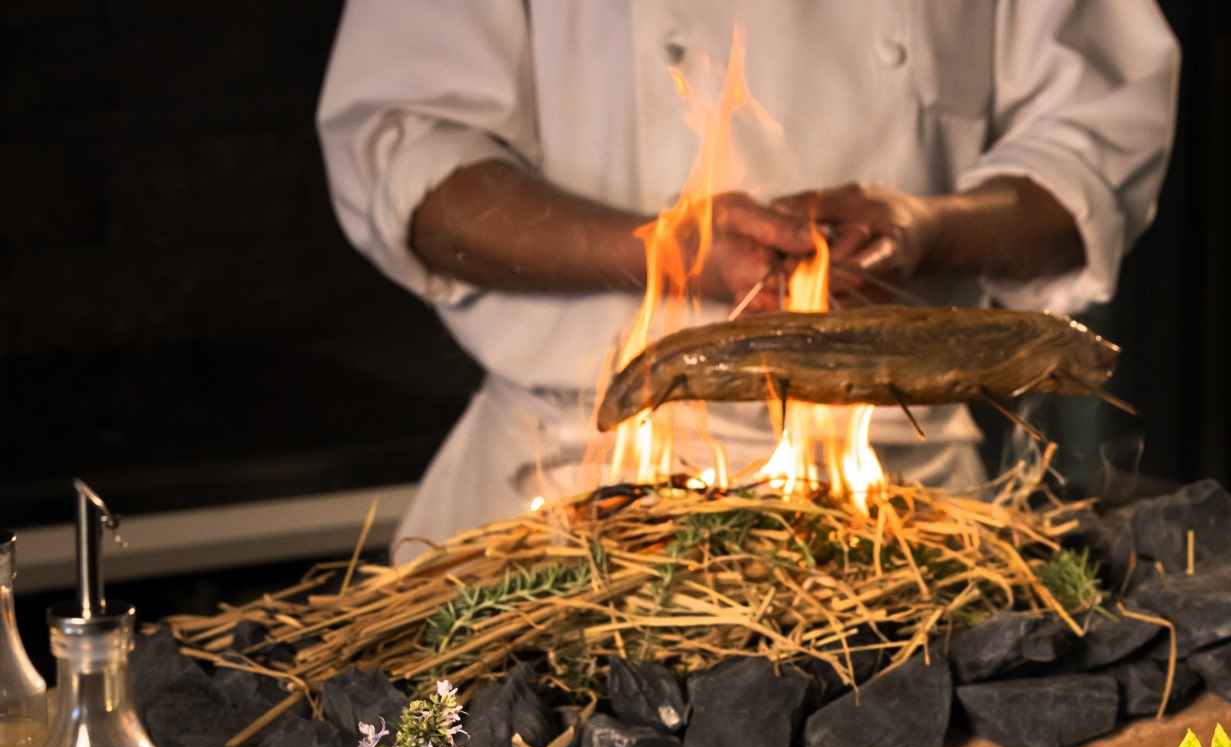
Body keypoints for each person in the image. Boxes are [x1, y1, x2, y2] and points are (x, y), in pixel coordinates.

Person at [316, 1, 1180, 553]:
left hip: (900, 504)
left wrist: (931, 230)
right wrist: (658, 249)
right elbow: (404, 154)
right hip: (570, 492)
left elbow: (1096, 145)